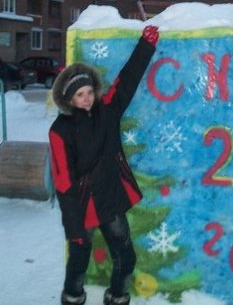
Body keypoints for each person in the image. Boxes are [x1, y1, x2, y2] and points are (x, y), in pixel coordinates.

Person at [49, 25, 159, 305]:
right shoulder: (59, 130)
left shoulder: (107, 111)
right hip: (82, 205)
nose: (86, 98)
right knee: (79, 260)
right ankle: (73, 297)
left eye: (89, 91)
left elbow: (127, 80)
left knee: (126, 257)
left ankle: (117, 297)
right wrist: (73, 225)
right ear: (68, 98)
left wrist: (146, 45)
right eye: (79, 94)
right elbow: (62, 181)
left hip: (110, 198)